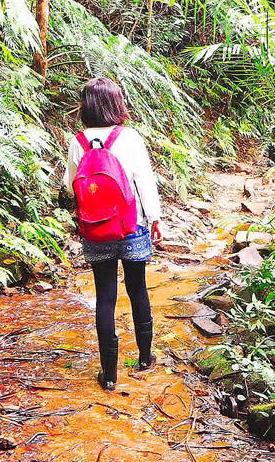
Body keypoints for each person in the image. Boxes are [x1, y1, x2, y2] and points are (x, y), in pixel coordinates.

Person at [64, 77, 163, 391]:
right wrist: (155, 218)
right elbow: (143, 180)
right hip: (131, 225)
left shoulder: (77, 141)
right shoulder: (129, 137)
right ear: (116, 104)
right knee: (138, 289)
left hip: (95, 228)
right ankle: (145, 359)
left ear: (86, 106)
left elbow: (71, 185)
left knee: (105, 296)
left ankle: (108, 375)